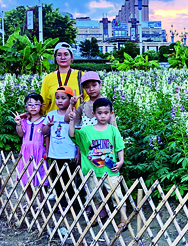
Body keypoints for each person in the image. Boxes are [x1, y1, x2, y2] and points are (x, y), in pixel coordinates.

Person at [69, 98, 127, 229]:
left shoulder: (113, 130)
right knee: (94, 195)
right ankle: (96, 217)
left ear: (111, 113)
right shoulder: (86, 131)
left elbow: (119, 146)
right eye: (99, 113)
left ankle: (124, 218)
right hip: (92, 170)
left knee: (116, 194)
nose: (103, 115)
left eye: (106, 113)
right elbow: (72, 135)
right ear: (94, 114)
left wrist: (121, 161)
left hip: (111, 169)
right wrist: (72, 120)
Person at [41, 86, 80, 212]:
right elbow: (44, 132)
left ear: (70, 100)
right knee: (57, 180)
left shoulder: (74, 115)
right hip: (55, 154)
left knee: (68, 180)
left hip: (69, 153)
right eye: (57, 98)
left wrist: (78, 152)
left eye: (63, 98)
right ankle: (60, 201)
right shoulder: (51, 114)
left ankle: (69, 203)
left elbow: (78, 135)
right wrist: (48, 125)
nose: (59, 101)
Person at [12, 93, 48, 209]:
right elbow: (21, 134)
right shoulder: (24, 121)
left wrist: (47, 151)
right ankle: (30, 201)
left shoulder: (44, 120)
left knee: (41, 176)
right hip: (26, 152)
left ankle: (42, 202)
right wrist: (18, 123)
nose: (33, 107)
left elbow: (47, 136)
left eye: (36, 104)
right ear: (25, 107)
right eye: (30, 105)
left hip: (39, 151)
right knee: (27, 176)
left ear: (41, 106)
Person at [41, 42, 89, 115]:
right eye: (59, 55)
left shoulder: (81, 75)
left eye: (66, 54)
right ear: (55, 58)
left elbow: (88, 99)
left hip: (75, 122)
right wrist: (31, 114)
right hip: (54, 123)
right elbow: (43, 104)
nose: (63, 58)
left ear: (71, 57)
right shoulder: (48, 78)